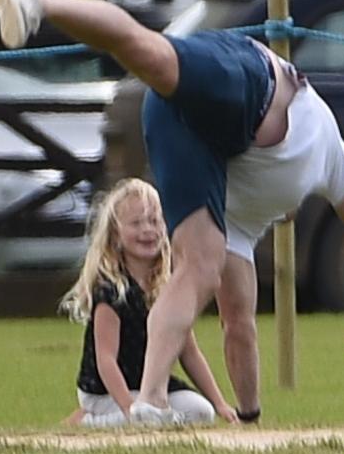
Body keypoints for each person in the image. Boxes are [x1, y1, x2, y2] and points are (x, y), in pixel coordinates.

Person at [0, 0, 344, 426]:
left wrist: (247, 417)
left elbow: (239, 329)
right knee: (149, 53)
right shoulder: (335, 159)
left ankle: (149, 403)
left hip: (176, 124)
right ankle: (37, 0)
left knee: (196, 269)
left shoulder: (238, 230)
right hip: (254, 82)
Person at [61, 177, 237, 426]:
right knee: (148, 418)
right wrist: (129, 409)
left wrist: (220, 403)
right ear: (116, 236)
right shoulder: (111, 292)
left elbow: (190, 353)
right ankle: (86, 421)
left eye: (154, 221)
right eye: (136, 223)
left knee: (201, 412)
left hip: (149, 386)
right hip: (106, 390)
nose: (147, 229)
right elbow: (106, 360)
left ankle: (150, 416)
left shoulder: (169, 289)